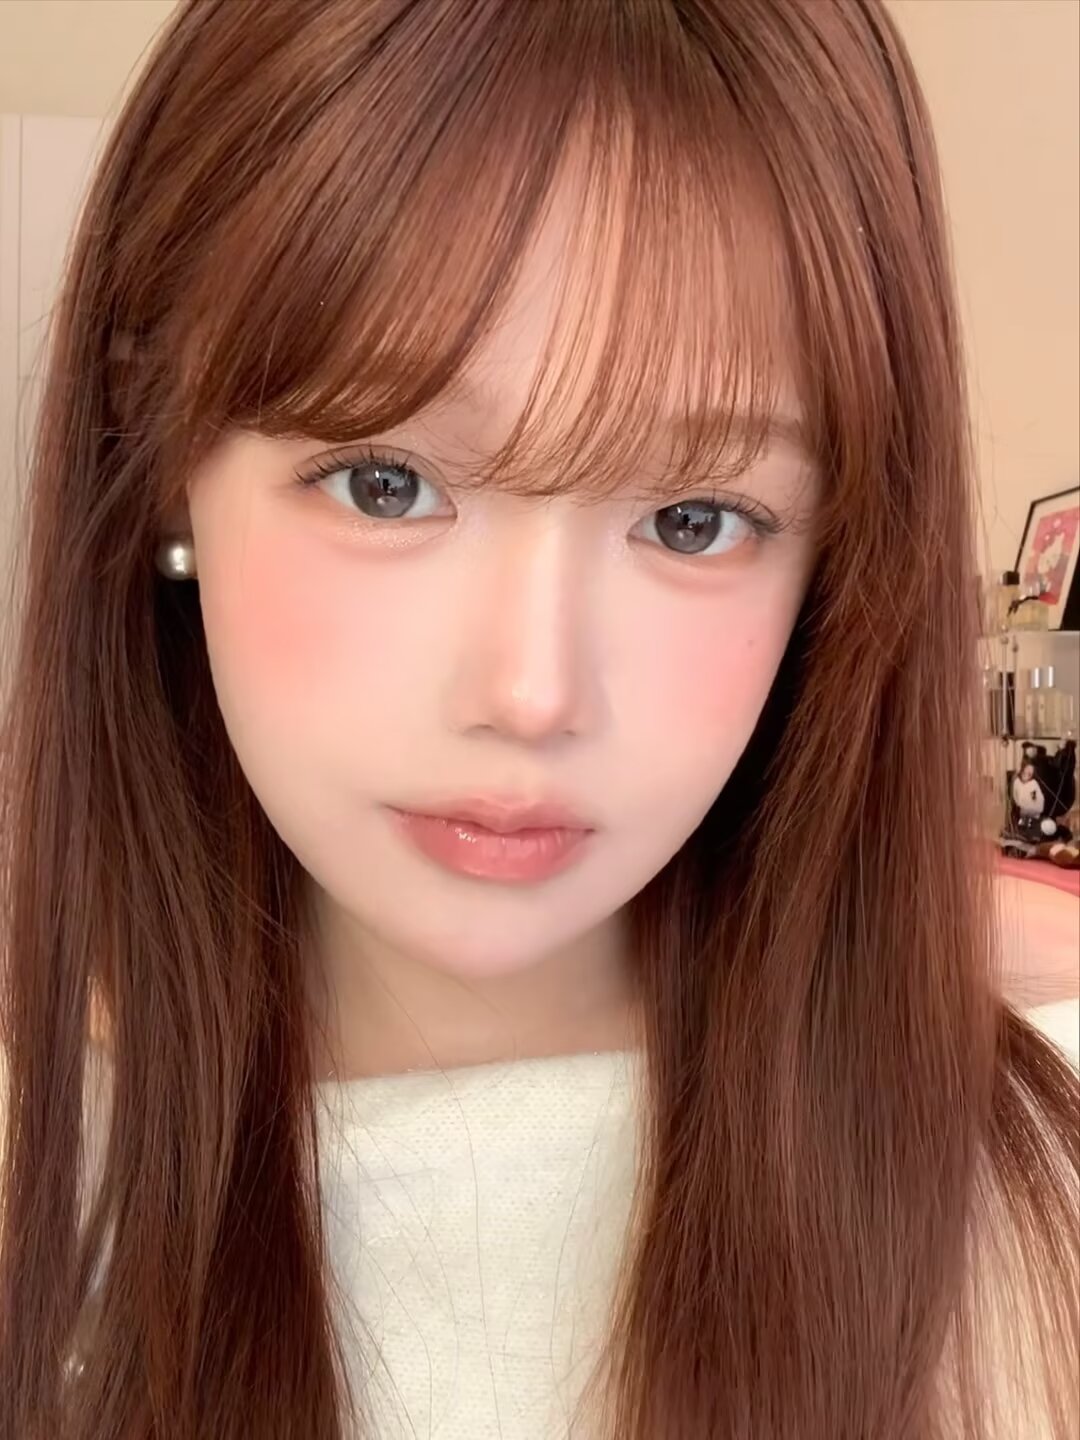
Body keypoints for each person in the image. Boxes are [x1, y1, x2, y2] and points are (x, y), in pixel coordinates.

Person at [1, 1, 1077, 1437]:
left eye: (694, 520)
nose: (532, 694)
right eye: (387, 484)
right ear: (161, 464)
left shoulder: (1024, 1217)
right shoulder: (46, 1175)